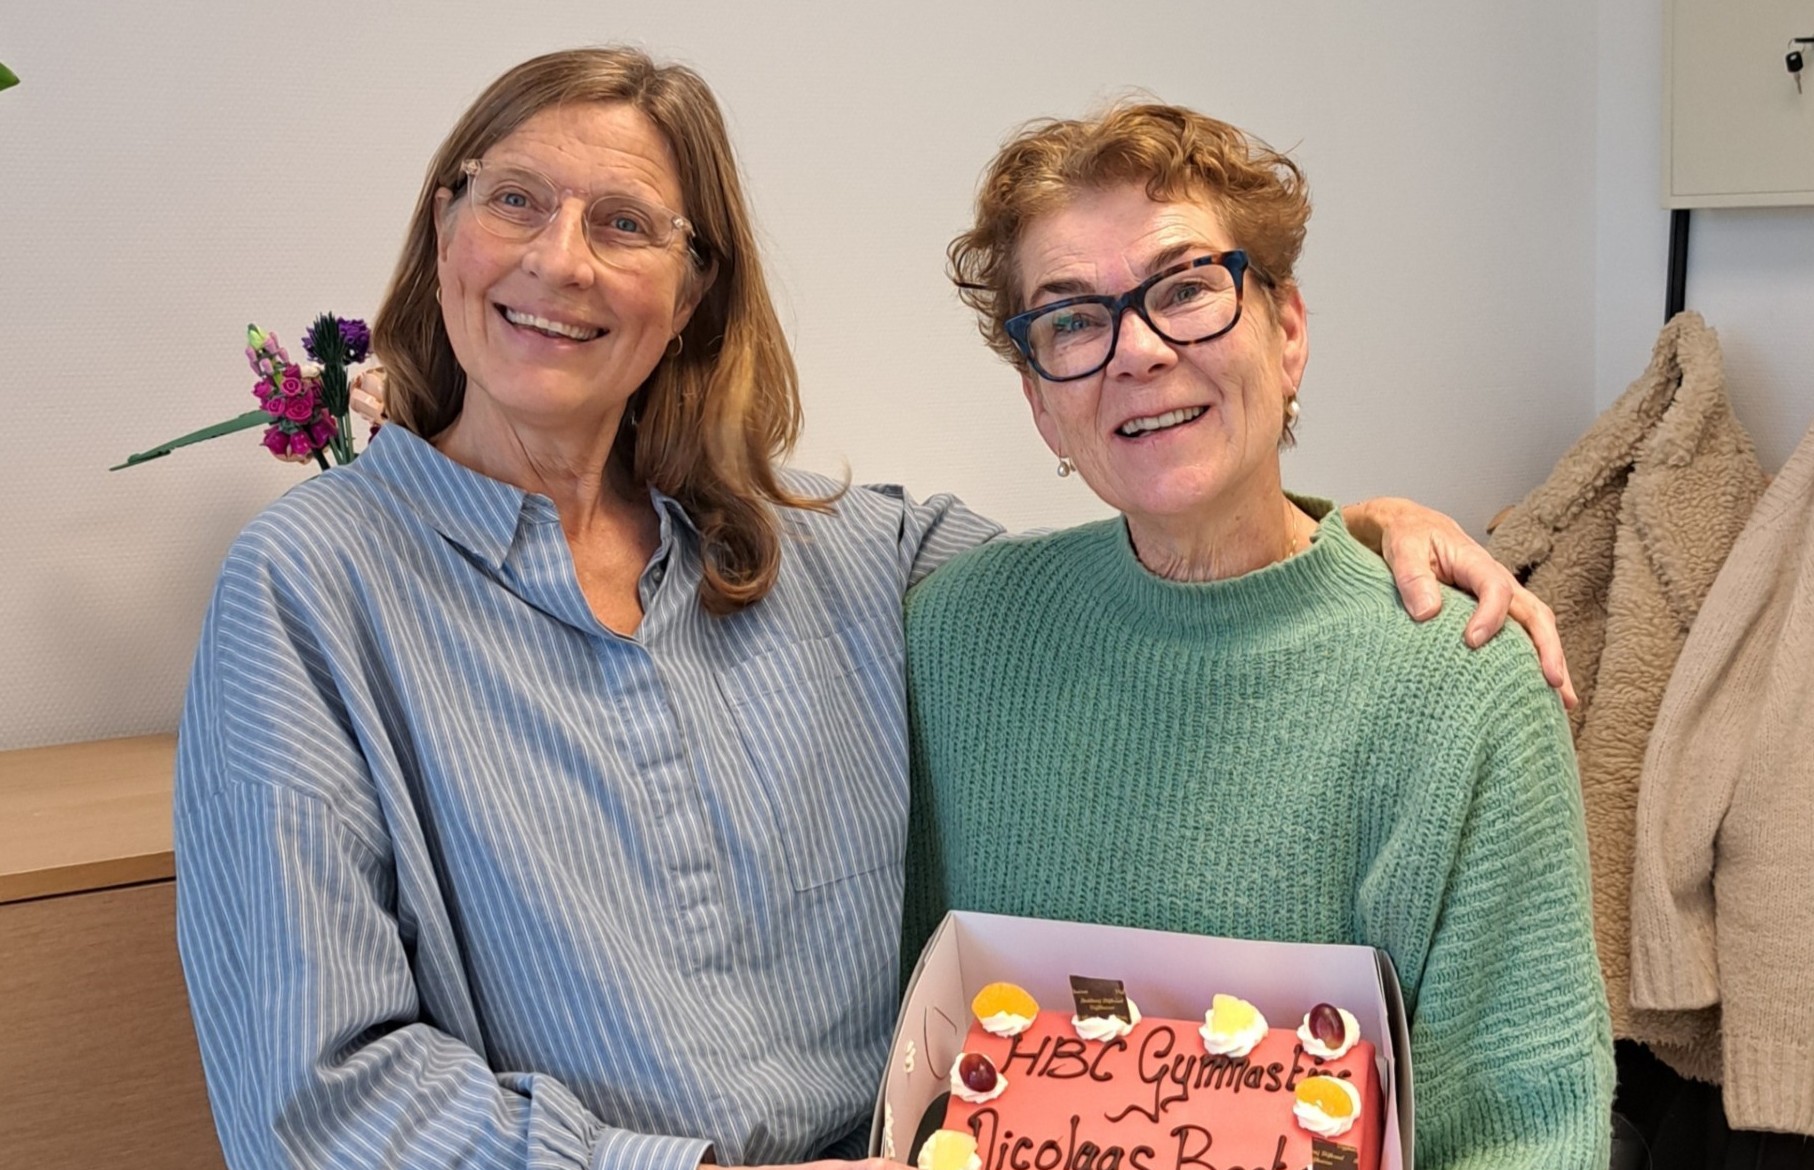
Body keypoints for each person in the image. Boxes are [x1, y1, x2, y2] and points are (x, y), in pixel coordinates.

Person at [174, 48, 1573, 1170]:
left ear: (691, 291)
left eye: (626, 224)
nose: (562, 262)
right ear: (442, 230)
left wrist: (1360, 532)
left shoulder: (840, 560)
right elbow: (315, 1100)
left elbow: (1169, 559)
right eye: (514, 201)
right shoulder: (311, 589)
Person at [901, 104, 1613, 1169]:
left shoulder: (1462, 685)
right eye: (1073, 321)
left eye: (1186, 288)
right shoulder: (955, 639)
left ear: (1287, 333)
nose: (1138, 351)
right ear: (1041, 403)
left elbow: (1525, 1134)